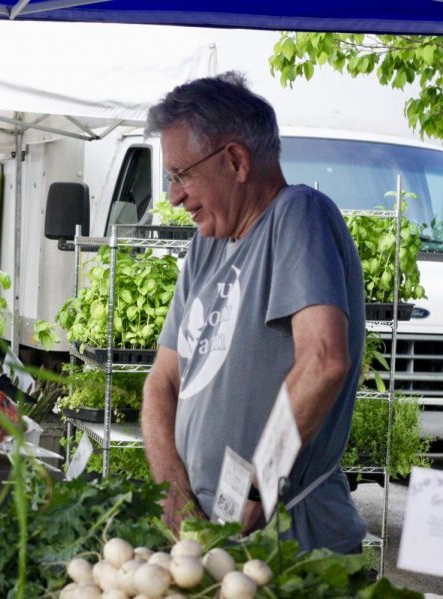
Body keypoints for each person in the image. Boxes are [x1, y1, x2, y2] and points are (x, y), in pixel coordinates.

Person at [141, 72, 367, 553]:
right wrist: (173, 490)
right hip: (211, 537)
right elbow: (161, 381)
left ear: (236, 161)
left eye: (181, 175)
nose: (174, 196)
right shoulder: (207, 248)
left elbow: (324, 359)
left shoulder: (298, 214)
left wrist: (261, 484)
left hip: (285, 539)